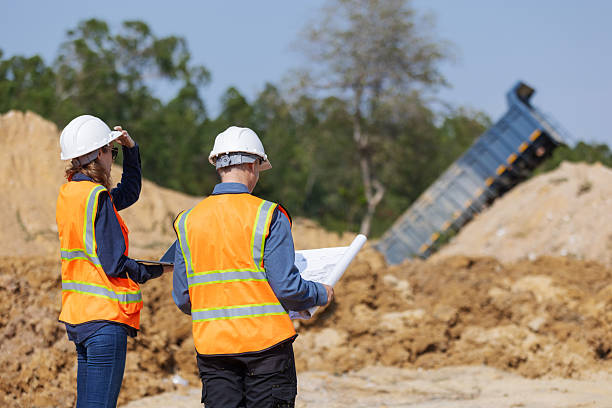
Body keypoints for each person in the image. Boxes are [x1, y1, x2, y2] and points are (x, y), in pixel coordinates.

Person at [172, 126, 334, 408]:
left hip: (214, 350)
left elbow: (184, 299)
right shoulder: (269, 215)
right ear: (251, 164)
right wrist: (321, 293)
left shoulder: (187, 221)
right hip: (266, 350)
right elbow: (287, 288)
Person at [56, 114, 168, 407]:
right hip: (105, 317)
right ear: (99, 154)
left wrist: (131, 151)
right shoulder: (96, 196)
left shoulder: (72, 193)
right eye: (112, 151)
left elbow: (127, 193)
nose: (112, 158)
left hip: (79, 317)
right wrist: (156, 270)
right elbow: (114, 264)